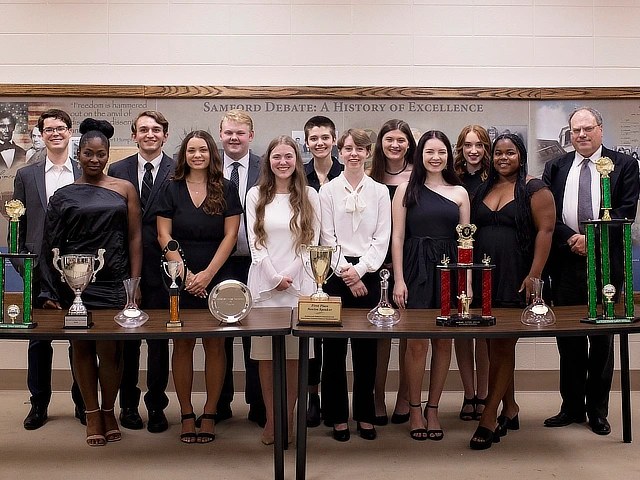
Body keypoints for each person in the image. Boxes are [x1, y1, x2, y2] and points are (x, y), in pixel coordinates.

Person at [42, 118, 143, 446]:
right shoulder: (62, 195)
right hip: (75, 287)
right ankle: (90, 413)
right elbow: (50, 243)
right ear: (79, 154)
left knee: (111, 352)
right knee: (81, 348)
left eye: (101, 154)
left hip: (114, 282)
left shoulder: (124, 189)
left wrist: (135, 283)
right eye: (88, 153)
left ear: (108, 154)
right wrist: (50, 289)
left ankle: (109, 409)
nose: (95, 159)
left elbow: (135, 238)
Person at [543, 107, 639, 436]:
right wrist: (571, 238)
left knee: (602, 340)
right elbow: (546, 214)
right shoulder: (554, 167)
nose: (581, 135)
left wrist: (592, 239)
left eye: (587, 129)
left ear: (600, 128)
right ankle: (570, 407)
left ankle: (597, 410)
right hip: (567, 262)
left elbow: (625, 211)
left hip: (607, 264)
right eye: (575, 130)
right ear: (569, 134)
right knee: (568, 340)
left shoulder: (624, 165)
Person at [469, 133, 555, 450]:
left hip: (515, 276)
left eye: (510, 152)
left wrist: (535, 276)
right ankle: (511, 408)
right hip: (483, 278)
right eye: (499, 153)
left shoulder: (535, 189)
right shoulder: (484, 189)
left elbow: (545, 232)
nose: (504, 157)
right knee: (494, 346)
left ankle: (488, 418)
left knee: (503, 346)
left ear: (521, 155)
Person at [157, 130, 242, 443]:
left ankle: (209, 411)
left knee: (215, 344)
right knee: (182, 344)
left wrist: (206, 275)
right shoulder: (171, 188)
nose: (197, 155)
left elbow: (231, 236)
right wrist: (187, 273)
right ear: (184, 155)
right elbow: (164, 235)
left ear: (211, 154)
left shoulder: (226, 189)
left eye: (203, 150)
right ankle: (186, 413)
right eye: (191, 150)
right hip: (179, 275)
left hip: (217, 273)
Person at [391, 130, 468, 441]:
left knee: (444, 342)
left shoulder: (460, 192)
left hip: (449, 269)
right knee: (416, 343)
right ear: (420, 155)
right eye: (429, 152)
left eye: (441, 151)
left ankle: (433, 408)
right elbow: (397, 238)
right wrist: (398, 279)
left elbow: (466, 242)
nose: (436, 157)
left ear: (448, 155)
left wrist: (467, 281)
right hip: (415, 267)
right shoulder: (405, 190)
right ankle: (414, 409)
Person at [12, 109, 85, 430]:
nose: (55, 133)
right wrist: (24, 266)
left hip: (78, 271)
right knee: (38, 341)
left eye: (61, 128)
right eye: (49, 129)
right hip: (38, 272)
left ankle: (83, 403)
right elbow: (18, 225)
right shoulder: (26, 176)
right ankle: (38, 404)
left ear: (71, 132)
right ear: (41, 135)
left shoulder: (85, 170)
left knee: (79, 339)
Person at [246, 135, 321, 445]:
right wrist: (273, 276)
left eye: (288, 156)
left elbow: (312, 242)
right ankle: (272, 419)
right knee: (266, 357)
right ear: (269, 161)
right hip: (264, 286)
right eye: (277, 156)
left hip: (299, 285)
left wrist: (288, 275)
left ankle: (288, 417)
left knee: (293, 357)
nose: (283, 162)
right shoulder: (255, 195)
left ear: (297, 160)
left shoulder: (309, 195)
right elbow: (255, 242)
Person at [319, 128, 391, 442]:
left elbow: (382, 238)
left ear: (367, 153)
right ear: (339, 151)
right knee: (333, 352)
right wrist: (346, 272)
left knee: (366, 352)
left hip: (369, 274)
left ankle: (364, 414)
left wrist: (361, 271)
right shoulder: (328, 191)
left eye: (359, 149)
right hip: (335, 274)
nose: (353, 154)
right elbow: (326, 237)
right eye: (347, 148)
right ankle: (336, 416)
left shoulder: (379, 191)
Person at [108, 110, 175, 433]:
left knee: (160, 340)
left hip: (165, 266)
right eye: (143, 129)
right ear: (133, 136)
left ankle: (157, 405)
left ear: (165, 135)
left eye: (156, 129)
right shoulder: (117, 170)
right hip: (126, 265)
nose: (150, 134)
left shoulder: (178, 170)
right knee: (129, 338)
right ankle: (129, 405)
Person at [217, 109, 266, 427]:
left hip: (258, 261)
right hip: (219, 262)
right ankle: (219, 403)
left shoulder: (267, 167)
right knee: (219, 332)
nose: (234, 138)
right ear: (220, 135)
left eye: (240, 133)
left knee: (257, 334)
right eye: (228, 133)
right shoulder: (206, 166)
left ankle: (259, 404)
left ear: (251, 136)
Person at [368, 119, 416, 426]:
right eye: (389, 139)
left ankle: (404, 396)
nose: (394, 145)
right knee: (380, 335)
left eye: (400, 140)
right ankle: (377, 396)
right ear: (380, 144)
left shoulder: (418, 176)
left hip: (409, 260)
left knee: (408, 334)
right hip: (374, 262)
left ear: (409, 143)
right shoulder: (371, 175)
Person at [302, 115, 343, 428]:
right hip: (307, 266)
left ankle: (335, 403)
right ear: (306, 142)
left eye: (325, 138)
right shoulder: (298, 175)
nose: (319, 143)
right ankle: (312, 396)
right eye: (313, 138)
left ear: (335, 140)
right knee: (311, 336)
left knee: (336, 340)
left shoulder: (347, 174)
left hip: (340, 268)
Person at [452, 125, 492, 422]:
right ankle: (469, 395)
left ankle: (484, 395)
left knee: (485, 332)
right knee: (462, 330)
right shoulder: (453, 179)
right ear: (460, 148)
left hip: (487, 258)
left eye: (479, 145)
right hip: (459, 261)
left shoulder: (494, 180)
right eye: (467, 145)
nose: (473, 150)